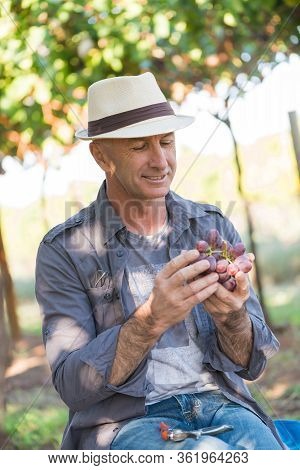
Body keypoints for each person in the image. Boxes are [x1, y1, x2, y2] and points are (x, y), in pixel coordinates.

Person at [35, 72, 283, 450]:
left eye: (167, 142)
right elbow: (73, 385)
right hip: (128, 422)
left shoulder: (211, 226)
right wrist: (152, 319)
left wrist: (231, 316)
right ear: (101, 155)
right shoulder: (64, 249)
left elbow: (254, 365)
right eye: (139, 147)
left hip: (224, 406)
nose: (161, 161)